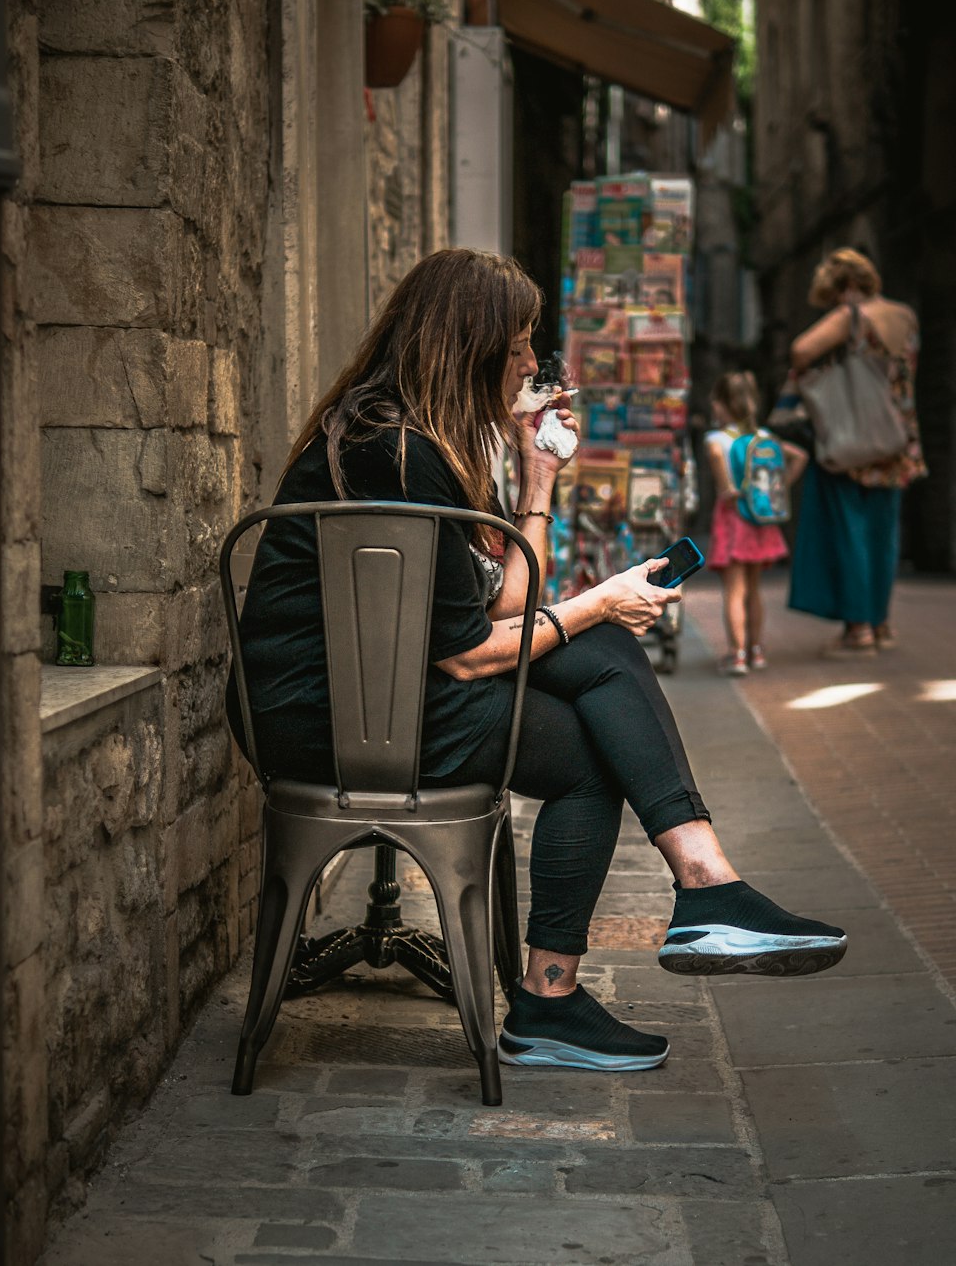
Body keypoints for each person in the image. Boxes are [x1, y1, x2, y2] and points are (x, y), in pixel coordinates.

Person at [230, 249, 846, 1074]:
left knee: (595, 709)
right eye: (519, 345)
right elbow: (468, 655)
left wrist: (539, 473)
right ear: (471, 346)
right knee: (598, 660)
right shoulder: (400, 455)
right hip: (328, 718)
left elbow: (504, 606)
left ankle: (634, 938)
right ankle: (676, 905)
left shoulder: (414, 439)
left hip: (374, 697)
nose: (530, 363)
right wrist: (599, 602)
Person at [786, 248, 926, 656]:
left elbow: (800, 351)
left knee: (849, 531)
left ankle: (857, 631)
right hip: (895, 438)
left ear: (845, 288)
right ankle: (880, 624)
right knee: (883, 534)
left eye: (831, 296)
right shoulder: (906, 316)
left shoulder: (852, 315)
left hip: (851, 440)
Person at [704, 371, 807, 675]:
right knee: (754, 590)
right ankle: (757, 651)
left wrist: (730, 488)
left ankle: (736, 655)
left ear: (723, 404)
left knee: (734, 592)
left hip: (734, 521)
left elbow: (725, 491)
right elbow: (800, 456)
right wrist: (779, 488)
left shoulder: (716, 441)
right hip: (761, 522)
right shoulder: (764, 437)